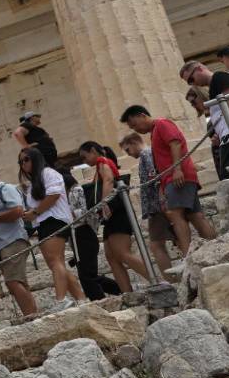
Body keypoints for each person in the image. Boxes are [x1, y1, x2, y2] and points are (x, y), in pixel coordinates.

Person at [120, 104, 217, 257]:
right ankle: (216, 248)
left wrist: (177, 169)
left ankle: (188, 256)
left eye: (135, 124)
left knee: (175, 215)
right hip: (175, 178)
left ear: (142, 116)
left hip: (177, 177)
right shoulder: (154, 132)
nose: (136, 129)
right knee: (195, 216)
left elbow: (175, 143)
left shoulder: (162, 124)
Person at [78, 141, 151, 292]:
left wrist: (104, 203)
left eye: (84, 157)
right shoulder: (101, 164)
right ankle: (127, 292)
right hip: (111, 216)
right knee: (111, 257)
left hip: (117, 213)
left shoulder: (102, 161)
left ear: (93, 151)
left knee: (122, 253)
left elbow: (109, 180)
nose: (84, 161)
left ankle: (155, 279)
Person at [18, 148, 86, 311]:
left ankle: (61, 300)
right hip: (43, 223)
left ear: (35, 158)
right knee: (56, 263)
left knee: (55, 261)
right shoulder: (34, 182)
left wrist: (35, 212)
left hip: (54, 220)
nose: (23, 164)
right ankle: (81, 298)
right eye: (20, 161)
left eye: (26, 159)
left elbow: (54, 195)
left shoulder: (48, 173)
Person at [0, 162, 38, 316]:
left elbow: (18, 211)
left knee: (12, 281)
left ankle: (31, 316)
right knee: (18, 281)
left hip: (13, 240)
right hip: (4, 244)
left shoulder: (6, 189)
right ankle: (33, 314)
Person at [119, 133, 175, 279]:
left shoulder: (145, 154)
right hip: (159, 204)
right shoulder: (149, 153)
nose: (128, 154)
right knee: (173, 238)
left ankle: (171, 279)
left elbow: (155, 176)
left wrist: (162, 199)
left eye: (127, 150)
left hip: (157, 205)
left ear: (134, 142)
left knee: (156, 244)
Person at [63, 167, 117, 301]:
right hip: (79, 235)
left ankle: (102, 300)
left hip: (83, 233)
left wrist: (65, 213)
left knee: (87, 276)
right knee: (88, 275)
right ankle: (118, 289)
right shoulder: (70, 192)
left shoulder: (76, 190)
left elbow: (83, 213)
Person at [182, 61, 229, 181]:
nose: (192, 83)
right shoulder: (213, 86)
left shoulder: (219, 77)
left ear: (199, 69)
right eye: (189, 82)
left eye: (191, 79)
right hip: (228, 137)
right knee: (228, 178)